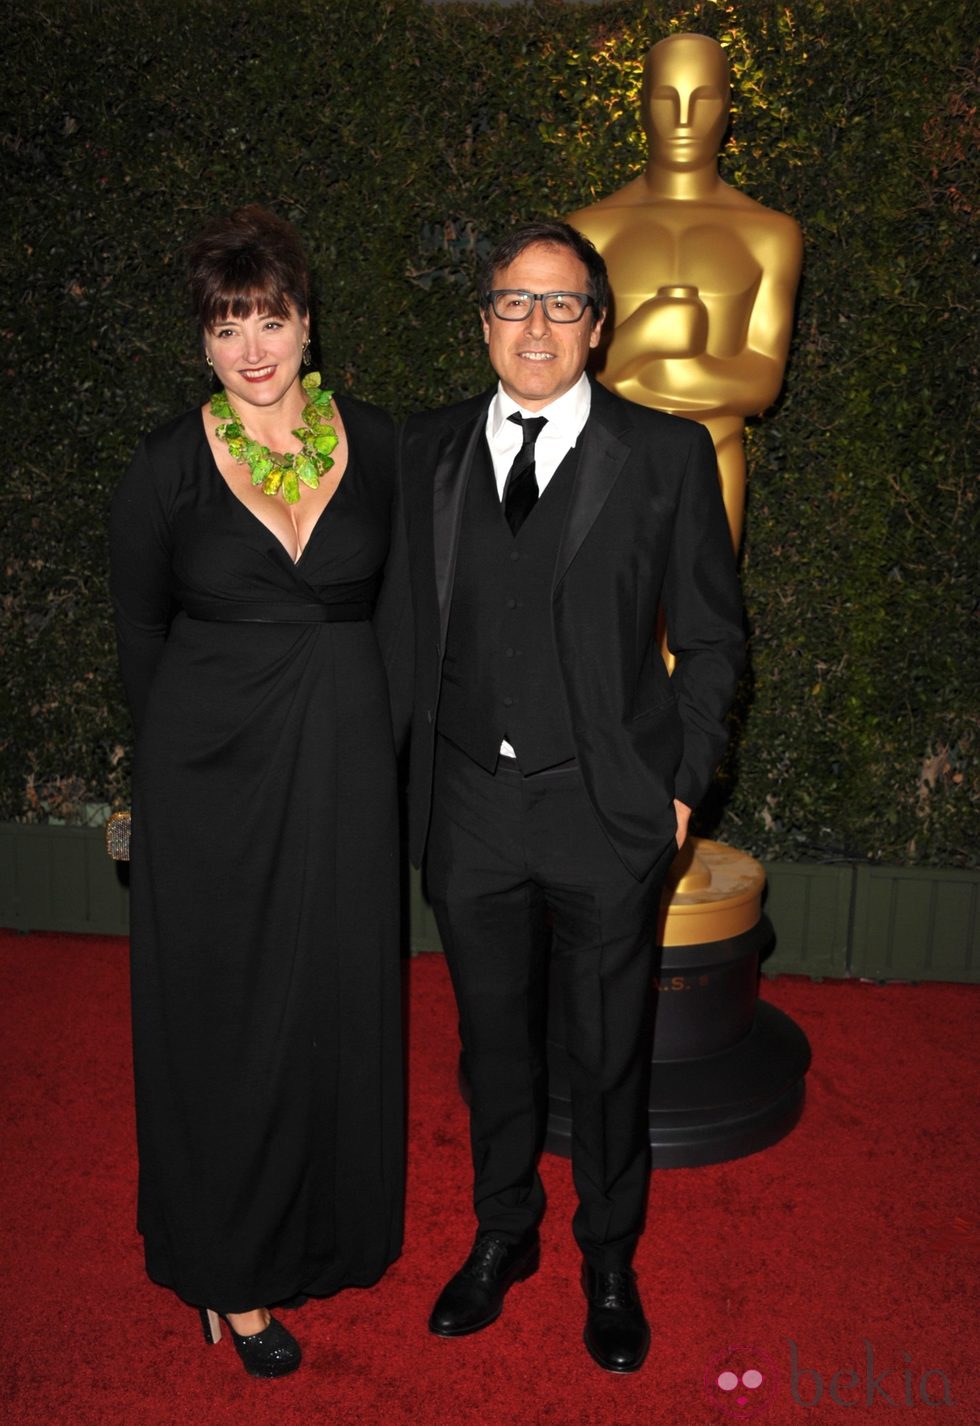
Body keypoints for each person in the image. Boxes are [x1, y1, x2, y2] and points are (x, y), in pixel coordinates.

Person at [377, 220, 744, 1372]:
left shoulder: (663, 454)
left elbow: (716, 639)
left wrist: (680, 788)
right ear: (482, 319)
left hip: (606, 810)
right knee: (490, 1045)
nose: (534, 328)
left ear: (598, 323)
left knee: (607, 1050)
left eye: (559, 306)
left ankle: (606, 1253)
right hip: (467, 811)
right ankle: (502, 1233)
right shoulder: (420, 450)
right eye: (511, 304)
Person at [110, 205, 403, 1378]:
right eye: (226, 325)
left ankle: (318, 1227)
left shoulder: (374, 445)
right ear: (203, 342)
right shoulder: (164, 470)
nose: (250, 347)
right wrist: (166, 781)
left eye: (268, 317)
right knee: (222, 1018)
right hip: (209, 776)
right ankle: (224, 1273)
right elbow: (140, 633)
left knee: (329, 1003)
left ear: (306, 320)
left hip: (339, 768)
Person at [568, 31, 802, 550]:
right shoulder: (590, 230)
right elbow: (560, 376)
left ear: (728, 109)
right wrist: (645, 336)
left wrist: (649, 362)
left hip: (713, 451)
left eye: (704, 98)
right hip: (606, 454)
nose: (682, 118)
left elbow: (762, 381)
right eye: (666, 97)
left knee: (696, 626)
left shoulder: (769, 233)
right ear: (642, 105)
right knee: (605, 625)